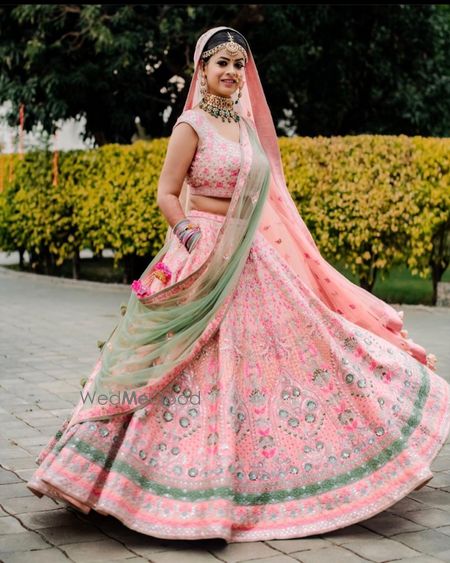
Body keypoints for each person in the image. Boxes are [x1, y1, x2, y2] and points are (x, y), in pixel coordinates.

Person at [27, 26, 450, 543]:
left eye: (237, 64)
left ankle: (286, 471)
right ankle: (129, 483)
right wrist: (190, 240)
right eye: (220, 62)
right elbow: (167, 193)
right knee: (178, 361)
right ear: (202, 70)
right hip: (202, 249)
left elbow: (269, 198)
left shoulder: (248, 131)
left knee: (305, 346)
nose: (230, 72)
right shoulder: (192, 124)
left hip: (251, 255)